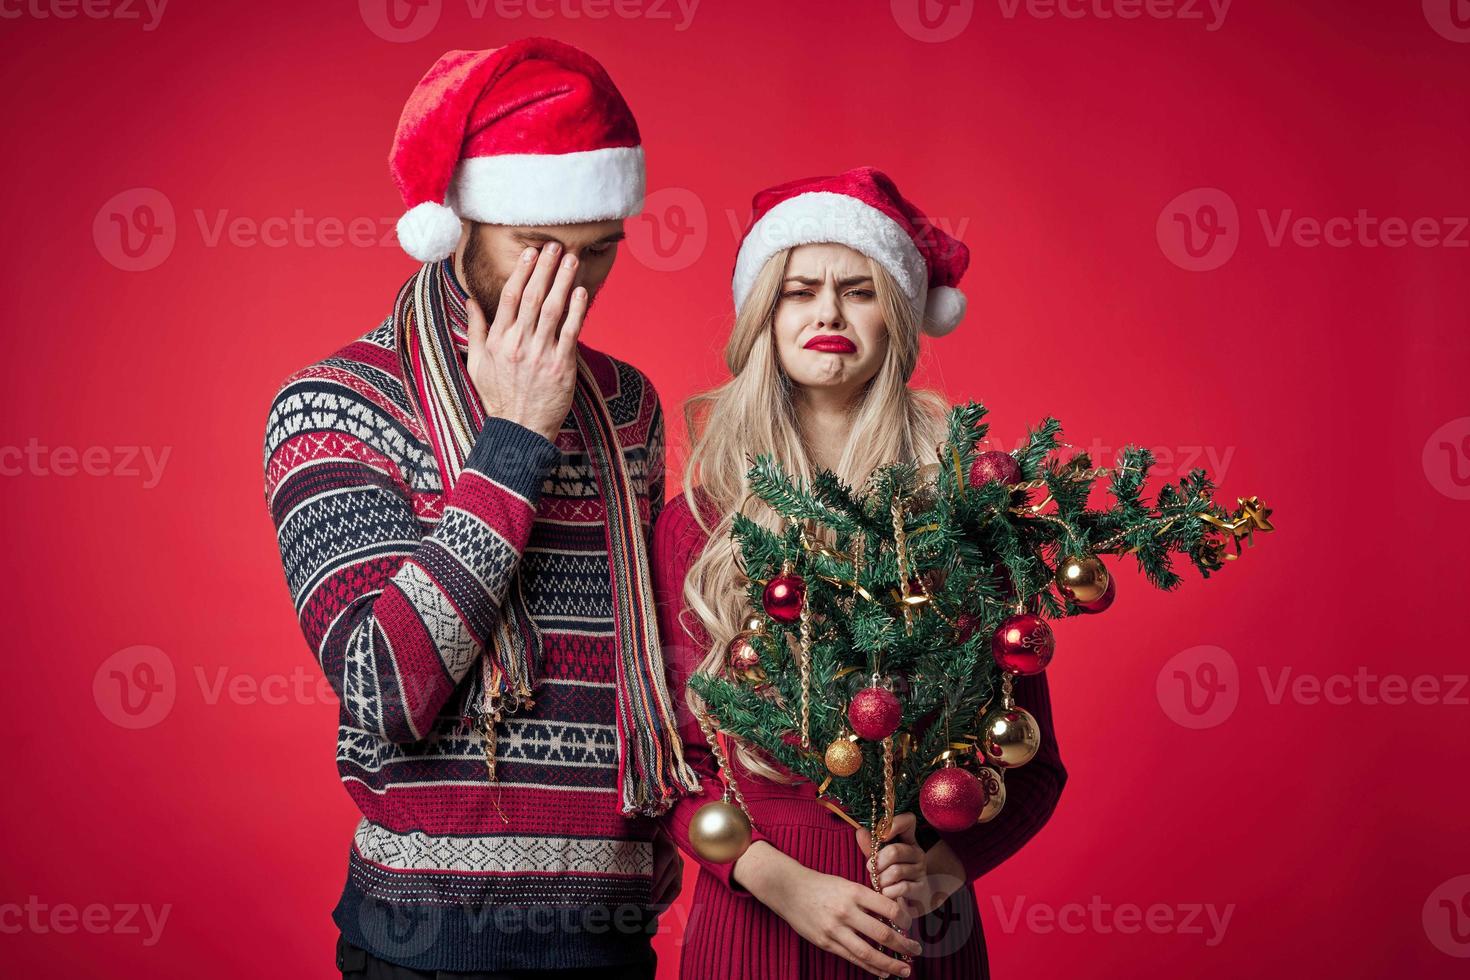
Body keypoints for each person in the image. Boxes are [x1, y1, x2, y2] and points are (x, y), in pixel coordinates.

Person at [262, 39, 698, 978]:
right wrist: (515, 441)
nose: (568, 286)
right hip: (427, 945)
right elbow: (384, 691)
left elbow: (657, 653)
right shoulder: (335, 404)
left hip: (613, 936)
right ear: (458, 225)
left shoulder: (630, 406)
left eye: (597, 253)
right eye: (537, 249)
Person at [651, 168, 1069, 979]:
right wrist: (779, 883)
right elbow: (668, 760)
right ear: (763, 319)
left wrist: (940, 872)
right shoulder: (696, 525)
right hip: (755, 929)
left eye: (859, 290)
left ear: (899, 318)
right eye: (799, 291)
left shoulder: (965, 510)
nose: (829, 314)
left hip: (919, 940)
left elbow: (1033, 760)